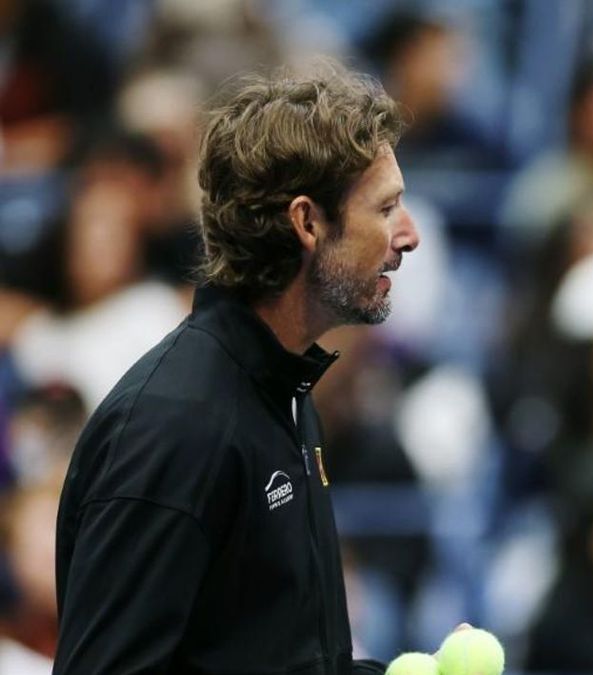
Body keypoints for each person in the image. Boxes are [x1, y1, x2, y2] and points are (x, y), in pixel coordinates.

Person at [53, 62, 420, 673]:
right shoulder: (174, 430)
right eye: (385, 209)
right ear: (307, 223)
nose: (409, 235)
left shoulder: (286, 393)